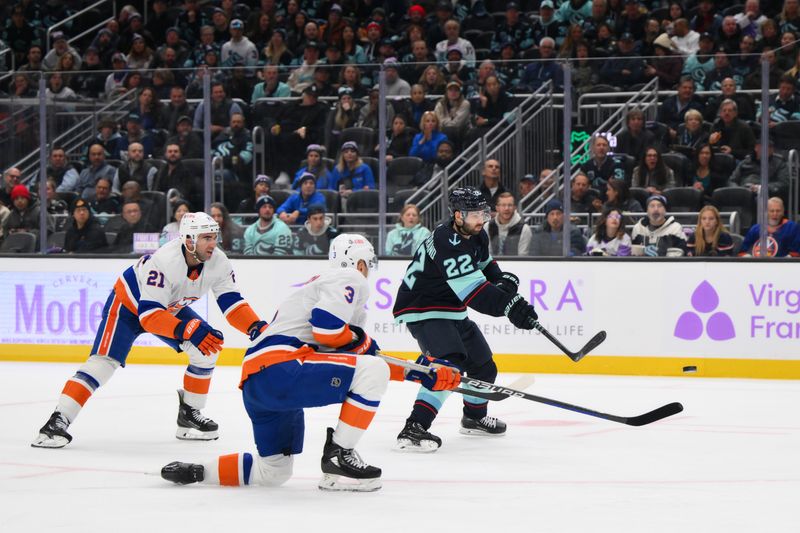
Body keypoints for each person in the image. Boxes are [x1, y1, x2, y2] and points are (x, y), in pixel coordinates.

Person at [161, 233, 461, 491]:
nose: (367, 272)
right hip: (282, 370)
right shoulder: (349, 278)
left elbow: (352, 352)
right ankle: (339, 456)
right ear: (358, 263)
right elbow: (330, 333)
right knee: (373, 371)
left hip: (259, 383)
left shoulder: (321, 288)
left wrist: (420, 373)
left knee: (274, 472)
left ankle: (198, 470)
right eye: (367, 266)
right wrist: (374, 349)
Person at [32, 212, 268, 448]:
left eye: (214, 236)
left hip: (166, 307)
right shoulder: (165, 260)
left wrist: (255, 327)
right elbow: (149, 317)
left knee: (206, 350)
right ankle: (56, 422)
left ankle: (189, 417)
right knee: (103, 363)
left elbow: (232, 302)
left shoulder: (219, 261)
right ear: (188, 240)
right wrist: (188, 330)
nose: (213, 243)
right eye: (206, 237)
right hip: (128, 306)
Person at [392, 186, 538, 451]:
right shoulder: (446, 240)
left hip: (451, 307)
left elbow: (485, 266)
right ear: (458, 215)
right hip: (422, 307)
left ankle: (473, 417)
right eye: (474, 215)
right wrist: (509, 307)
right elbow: (476, 295)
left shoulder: (476, 233)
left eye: (483, 213)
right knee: (449, 366)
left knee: (484, 367)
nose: (481, 219)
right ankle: (414, 427)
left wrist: (502, 281)